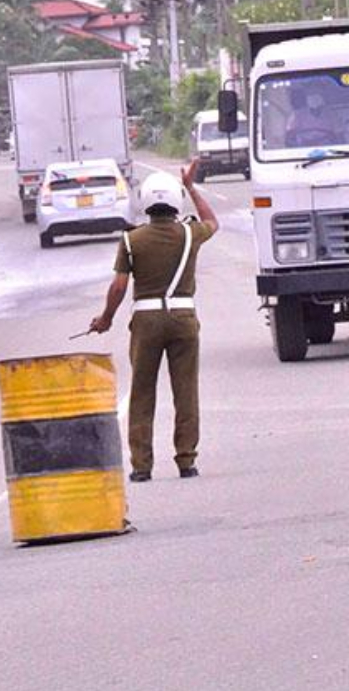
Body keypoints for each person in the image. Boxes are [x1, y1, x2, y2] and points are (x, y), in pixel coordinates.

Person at [89, 159, 218, 482]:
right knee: (185, 391)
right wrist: (190, 186)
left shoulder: (132, 241)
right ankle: (186, 461)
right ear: (176, 201)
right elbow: (212, 221)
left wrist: (105, 318)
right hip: (183, 317)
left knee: (142, 391)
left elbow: (119, 286)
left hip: (145, 321)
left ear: (145, 202)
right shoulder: (190, 234)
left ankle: (141, 467)